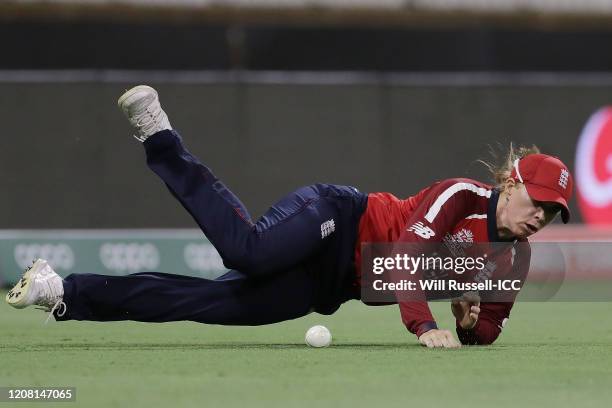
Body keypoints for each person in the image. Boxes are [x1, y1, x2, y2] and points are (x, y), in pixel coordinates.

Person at [5, 85, 573, 348]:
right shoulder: (462, 196)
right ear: (510, 182)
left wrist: (474, 327)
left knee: (213, 304)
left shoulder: (512, 258)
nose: (541, 219)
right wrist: (425, 325)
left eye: (553, 215)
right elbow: (402, 259)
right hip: (335, 217)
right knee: (247, 250)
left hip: (329, 285)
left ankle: (66, 292)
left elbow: (492, 326)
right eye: (539, 204)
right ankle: (161, 138)